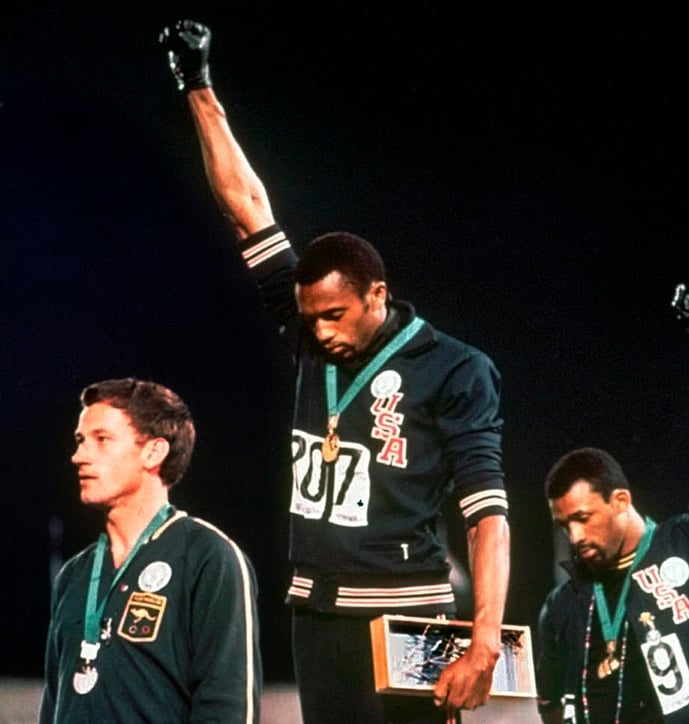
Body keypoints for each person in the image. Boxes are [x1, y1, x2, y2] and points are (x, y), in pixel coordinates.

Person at [159, 19, 511, 724]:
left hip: (408, 612)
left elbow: (489, 517)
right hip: (315, 609)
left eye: (335, 315)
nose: (319, 332)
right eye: (309, 316)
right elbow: (246, 207)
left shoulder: (455, 368)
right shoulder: (309, 330)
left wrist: (483, 643)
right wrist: (196, 84)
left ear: (377, 295)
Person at [536, 283, 689, 723]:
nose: (575, 537)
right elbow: (551, 708)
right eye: (565, 526)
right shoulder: (562, 606)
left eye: (582, 518)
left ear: (620, 500)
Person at [39, 378, 262, 723]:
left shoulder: (208, 557)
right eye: (81, 441)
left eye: (102, 439)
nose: (78, 456)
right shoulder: (74, 574)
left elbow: (228, 706)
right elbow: (55, 704)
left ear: (154, 452)